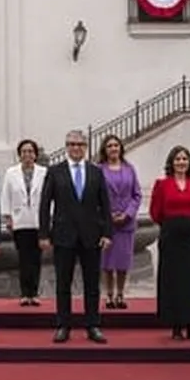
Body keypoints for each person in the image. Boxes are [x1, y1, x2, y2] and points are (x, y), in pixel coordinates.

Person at [39, 129, 112, 344]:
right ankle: (63, 325)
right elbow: (45, 204)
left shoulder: (96, 172)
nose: (75, 148)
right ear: (66, 147)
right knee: (63, 283)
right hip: (64, 235)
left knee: (92, 284)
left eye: (79, 144)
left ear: (85, 147)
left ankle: (93, 325)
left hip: (91, 235)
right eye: (71, 144)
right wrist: (44, 234)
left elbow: (105, 205)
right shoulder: (55, 172)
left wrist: (107, 233)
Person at [149, 145, 190, 341]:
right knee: (172, 279)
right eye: (178, 159)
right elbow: (155, 212)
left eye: (184, 159)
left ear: (189, 162)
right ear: (171, 163)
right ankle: (176, 326)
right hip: (170, 235)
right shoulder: (162, 184)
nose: (181, 162)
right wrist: (172, 224)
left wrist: (187, 222)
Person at [97, 135, 142, 309]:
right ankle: (109, 295)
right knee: (107, 262)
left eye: (116, 145)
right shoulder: (98, 170)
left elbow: (136, 195)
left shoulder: (129, 169)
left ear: (121, 148)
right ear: (105, 149)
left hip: (126, 223)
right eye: (109, 146)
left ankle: (121, 294)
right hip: (106, 223)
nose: (113, 148)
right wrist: (107, 215)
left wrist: (128, 214)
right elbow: (94, 196)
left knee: (123, 262)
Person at [0, 138, 46, 305]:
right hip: (19, 221)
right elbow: (6, 195)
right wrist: (7, 217)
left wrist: (49, 219)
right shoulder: (11, 173)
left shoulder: (44, 172)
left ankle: (34, 293)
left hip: (38, 221)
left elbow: (49, 197)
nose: (27, 154)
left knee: (36, 258)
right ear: (19, 154)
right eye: (24, 151)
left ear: (35, 154)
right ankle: (25, 293)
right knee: (24, 258)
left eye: (30, 151)